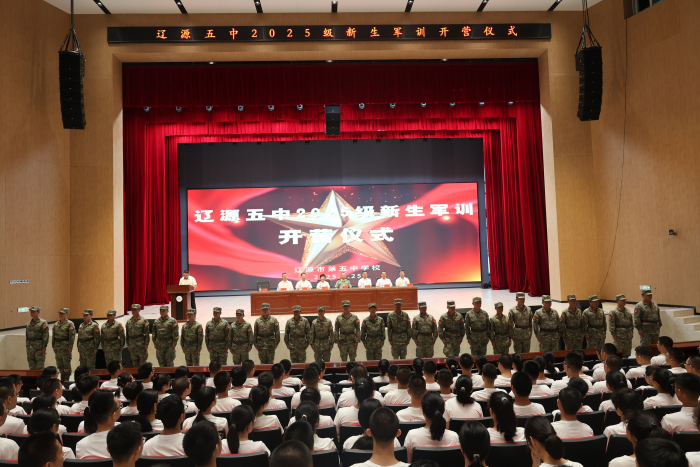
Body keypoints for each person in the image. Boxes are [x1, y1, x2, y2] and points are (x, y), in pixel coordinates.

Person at [403, 392, 459, 462]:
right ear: (444, 411)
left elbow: (408, 463)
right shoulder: (454, 437)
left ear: (423, 412)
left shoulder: (412, 436)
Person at [76, 391, 121, 459]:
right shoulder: (123, 443)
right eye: (119, 406)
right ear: (113, 415)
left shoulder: (80, 446)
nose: (120, 408)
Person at [50, 308, 76, 382]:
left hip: (65, 347)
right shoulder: (56, 324)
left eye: (62, 313)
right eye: (59, 313)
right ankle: (62, 381)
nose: (60, 314)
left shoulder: (70, 324)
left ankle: (66, 381)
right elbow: (54, 336)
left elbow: (72, 336)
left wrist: (70, 346)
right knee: (60, 365)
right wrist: (53, 346)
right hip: (58, 347)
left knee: (66, 365)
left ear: (67, 314)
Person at [25, 306, 50, 371]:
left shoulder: (43, 322)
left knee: (40, 367)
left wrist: (44, 346)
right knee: (31, 367)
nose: (31, 313)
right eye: (31, 311)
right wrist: (27, 346)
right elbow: (27, 336)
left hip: (39, 348)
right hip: (30, 348)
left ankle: (40, 378)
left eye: (33, 311)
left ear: (38, 312)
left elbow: (45, 335)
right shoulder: (29, 323)